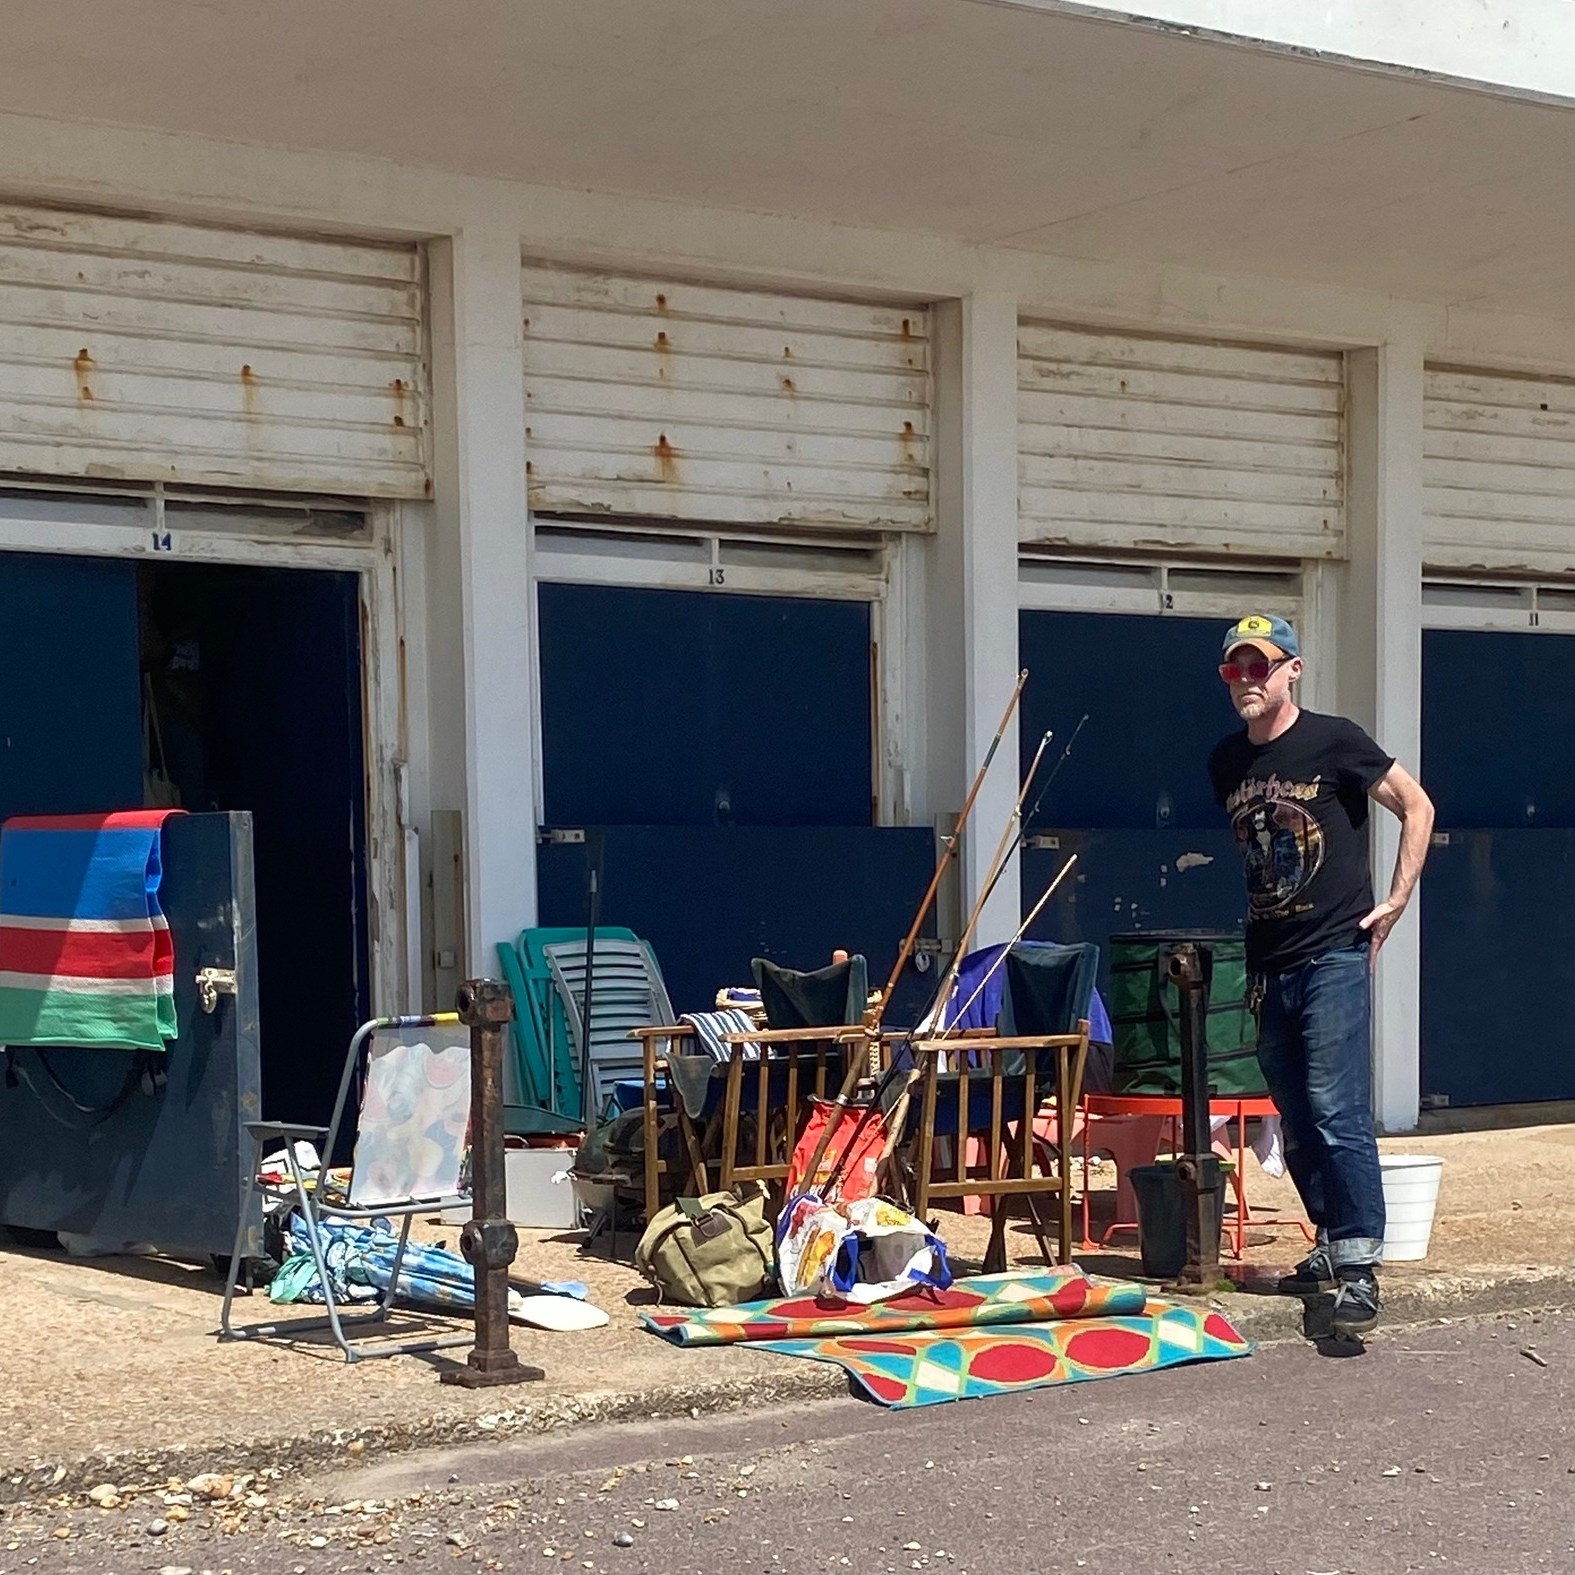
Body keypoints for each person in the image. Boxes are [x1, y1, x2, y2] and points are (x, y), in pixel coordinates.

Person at [1207, 614, 1434, 1336]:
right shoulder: (1224, 763)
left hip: (1334, 951)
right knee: (1295, 1118)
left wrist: (1396, 900)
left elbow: (1416, 804)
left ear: (1291, 670)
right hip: (1268, 962)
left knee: (1336, 1107)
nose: (1247, 680)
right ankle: (1331, 1244)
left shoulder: (1335, 739)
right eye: (1234, 670)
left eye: (1259, 666)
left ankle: (1361, 1264)